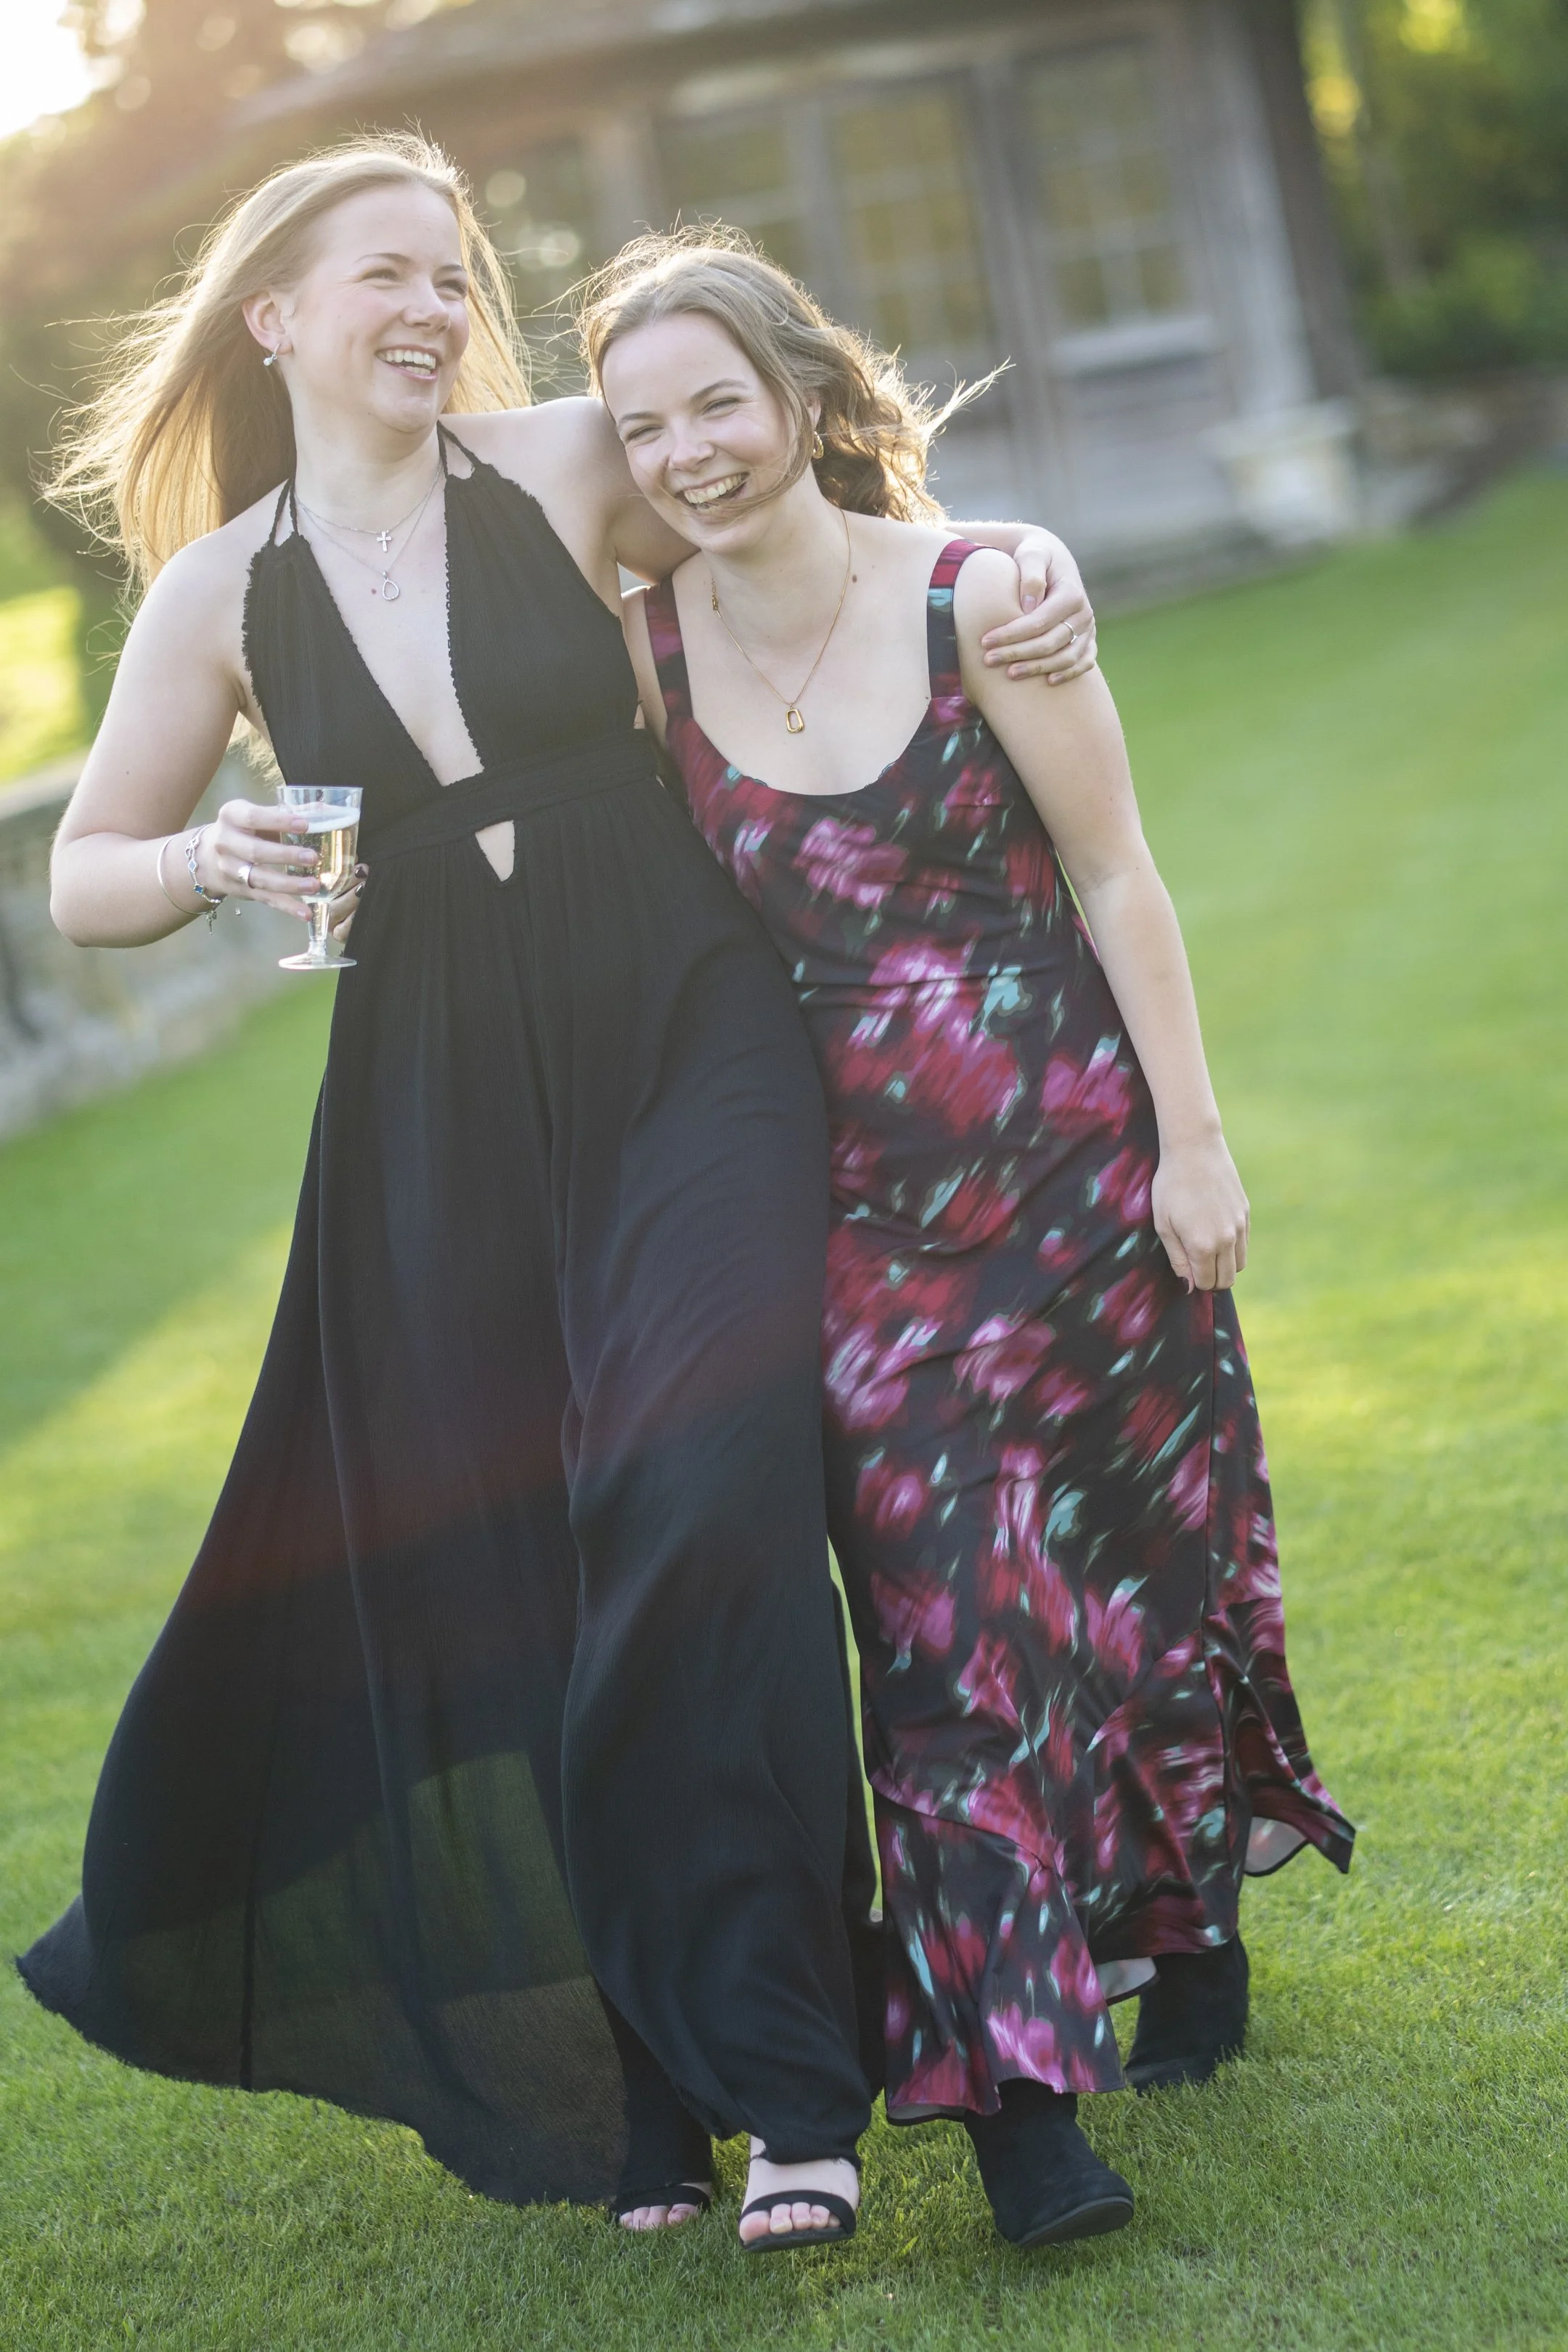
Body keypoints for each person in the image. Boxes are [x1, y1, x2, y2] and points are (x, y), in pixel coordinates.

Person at [17, 138, 1099, 2254]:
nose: (431, 302)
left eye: (453, 270)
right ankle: (641, 2098)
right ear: (275, 317)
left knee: (704, 1514)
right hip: (428, 1101)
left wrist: (1004, 554)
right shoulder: (219, 589)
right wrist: (198, 864)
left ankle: (796, 2089)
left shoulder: (561, 461)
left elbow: (798, 489)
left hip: (686, 1037)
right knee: (515, 1576)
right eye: (384, 274)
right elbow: (79, 879)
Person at [588, 230, 1357, 2251]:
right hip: (849, 1226)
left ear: (803, 394)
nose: (685, 451)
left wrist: (1198, 1146)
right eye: (640, 422)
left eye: (717, 403)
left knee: (1138, 1567)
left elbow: (1117, 874)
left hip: (1087, 1168)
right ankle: (1023, 2102)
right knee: (940, 1644)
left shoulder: (982, 591)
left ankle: (1190, 1939)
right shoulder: (640, 647)